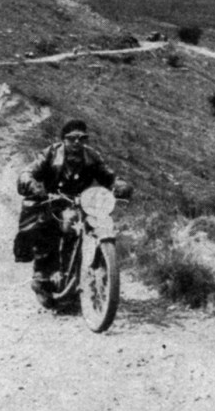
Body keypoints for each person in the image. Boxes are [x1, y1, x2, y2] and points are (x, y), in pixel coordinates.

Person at [13, 119, 131, 298]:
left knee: (91, 226)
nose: (77, 142)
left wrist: (119, 185)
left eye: (82, 138)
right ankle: (43, 274)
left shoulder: (92, 156)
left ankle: (93, 268)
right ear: (63, 139)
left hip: (81, 202)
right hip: (52, 201)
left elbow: (108, 174)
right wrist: (35, 186)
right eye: (72, 138)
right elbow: (27, 173)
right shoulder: (50, 154)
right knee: (46, 228)